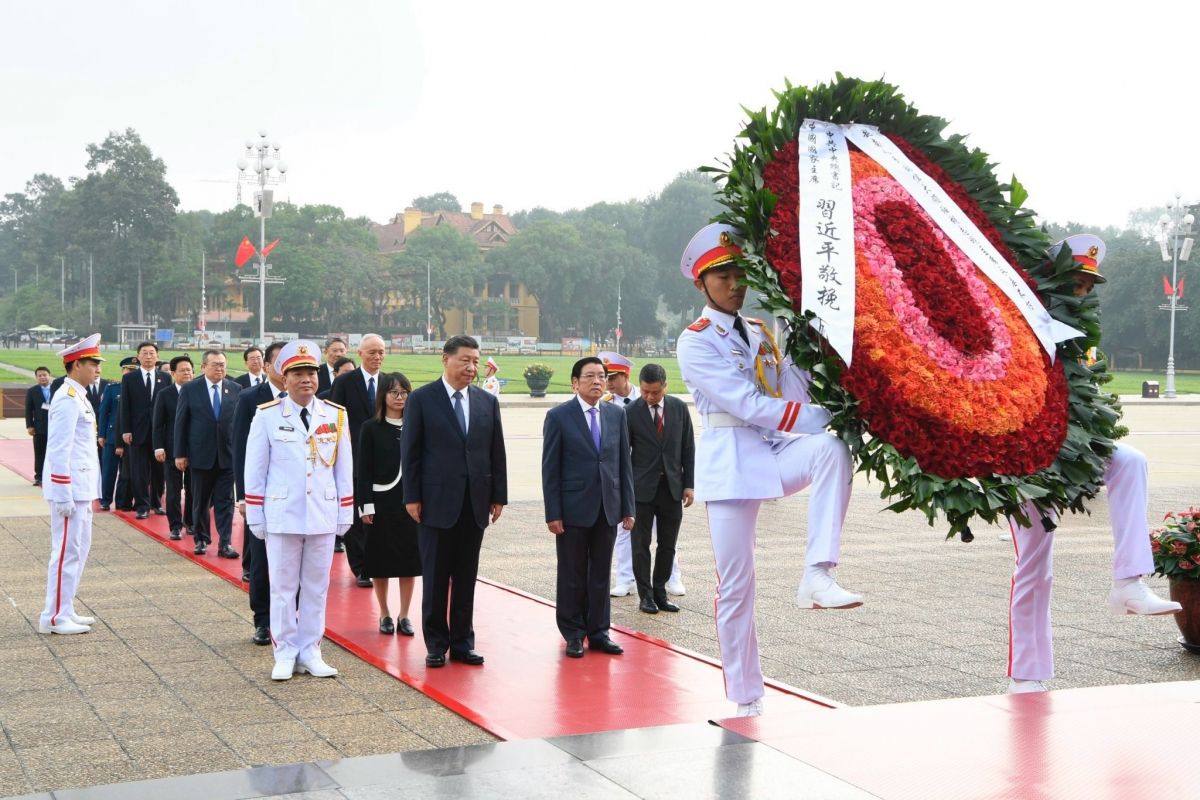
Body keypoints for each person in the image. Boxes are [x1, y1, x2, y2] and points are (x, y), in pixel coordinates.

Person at [677, 223, 859, 717]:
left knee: (832, 450)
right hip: (732, 460)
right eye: (723, 275)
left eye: (740, 272)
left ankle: (817, 573)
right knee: (736, 584)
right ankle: (745, 695)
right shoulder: (694, 342)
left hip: (774, 448)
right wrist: (825, 415)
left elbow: (789, 392)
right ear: (701, 284)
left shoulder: (760, 331)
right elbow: (747, 403)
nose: (735, 283)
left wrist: (809, 342)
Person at [1006, 234, 1180, 695]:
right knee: (1034, 565)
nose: (1082, 293)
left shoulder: (1081, 339)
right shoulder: (1022, 322)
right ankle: (1027, 674)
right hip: (1025, 461)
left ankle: (1128, 581)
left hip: (1073, 450)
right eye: (1076, 283)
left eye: (1088, 286)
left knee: (1130, 460)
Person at [244, 340, 354, 680]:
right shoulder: (267, 415)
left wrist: (345, 511)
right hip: (283, 514)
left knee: (317, 587)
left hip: (321, 512)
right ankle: (285, 652)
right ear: (284, 377)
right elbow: (255, 469)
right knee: (282, 588)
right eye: (298, 374)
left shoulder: (334, 415)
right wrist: (255, 514)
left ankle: (311, 650)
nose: (306, 379)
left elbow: (343, 468)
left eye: (311, 373)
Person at [402, 335, 507, 668]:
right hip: (435, 501)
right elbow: (411, 452)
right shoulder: (421, 399)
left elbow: (495, 451)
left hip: (475, 501)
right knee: (435, 576)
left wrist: (498, 495)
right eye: (465, 360)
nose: (471, 367)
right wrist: (412, 496)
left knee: (466, 576)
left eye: (476, 361)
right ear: (445, 359)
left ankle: (463, 642)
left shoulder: (486, 401)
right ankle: (436, 643)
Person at [543, 356, 635, 658]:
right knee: (572, 572)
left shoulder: (616, 415)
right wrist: (553, 513)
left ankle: (599, 632)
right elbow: (550, 469)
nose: (597, 381)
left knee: (600, 574)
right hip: (572, 509)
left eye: (602, 376)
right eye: (590, 376)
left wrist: (628, 506)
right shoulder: (558, 416)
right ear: (575, 382)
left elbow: (623, 463)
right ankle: (573, 632)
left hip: (607, 507)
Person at [603, 351, 685, 599]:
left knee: (666, 536)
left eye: (613, 377)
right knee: (627, 535)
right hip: (636, 484)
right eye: (606, 376)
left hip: (665, 483)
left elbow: (684, 447)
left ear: (625, 376)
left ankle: (672, 577)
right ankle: (626, 579)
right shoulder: (608, 403)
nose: (608, 382)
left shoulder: (657, 401)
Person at [39, 334, 104, 635]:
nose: (98, 368)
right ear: (76, 364)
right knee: (65, 551)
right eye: (93, 363)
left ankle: (65, 608)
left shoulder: (79, 396)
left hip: (81, 487)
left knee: (78, 549)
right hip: (70, 489)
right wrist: (63, 492)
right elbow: (58, 449)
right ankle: (53, 617)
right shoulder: (66, 398)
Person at [625, 363, 695, 614]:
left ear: (665, 387)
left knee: (668, 545)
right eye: (644, 391)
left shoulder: (679, 408)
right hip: (641, 490)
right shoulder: (631, 411)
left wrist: (689, 484)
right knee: (640, 545)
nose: (649, 397)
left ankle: (660, 591)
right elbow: (624, 455)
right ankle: (645, 596)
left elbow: (687, 448)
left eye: (654, 392)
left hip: (672, 489)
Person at [357, 372, 421, 636]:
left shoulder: (417, 425)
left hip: (412, 502)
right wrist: (366, 506)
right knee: (380, 561)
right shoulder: (371, 427)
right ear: (382, 395)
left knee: (409, 561)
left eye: (405, 392)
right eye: (394, 392)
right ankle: (384, 613)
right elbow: (363, 469)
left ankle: (405, 614)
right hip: (381, 500)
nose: (399, 397)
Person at [232, 340, 287, 645]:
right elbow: (241, 449)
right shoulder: (250, 398)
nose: (285, 367)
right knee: (262, 560)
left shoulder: (304, 398)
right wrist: (243, 497)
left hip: (292, 496)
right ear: (267, 366)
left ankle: (290, 618)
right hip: (262, 496)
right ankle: (263, 621)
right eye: (278, 361)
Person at [174, 349, 241, 558]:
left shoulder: (235, 388)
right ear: (203, 367)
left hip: (227, 455)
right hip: (200, 454)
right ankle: (202, 539)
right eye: (215, 364)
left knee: (226, 501)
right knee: (201, 501)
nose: (220, 368)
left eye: (222, 364)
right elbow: (181, 422)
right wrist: (180, 453)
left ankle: (225, 542)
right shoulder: (191, 389)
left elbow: (237, 424)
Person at [330, 334, 386, 583]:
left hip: (384, 461)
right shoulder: (345, 382)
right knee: (355, 514)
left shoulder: (389, 382)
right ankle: (361, 567)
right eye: (372, 352)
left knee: (379, 513)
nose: (377, 357)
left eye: (381, 352)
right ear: (360, 353)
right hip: (351, 458)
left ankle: (377, 563)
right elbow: (333, 420)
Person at [119, 341, 170, 519]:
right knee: (139, 470)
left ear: (157, 356)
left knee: (159, 470)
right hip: (137, 431)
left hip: (159, 432)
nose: (148, 357)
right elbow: (124, 406)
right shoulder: (129, 378)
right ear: (138, 356)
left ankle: (157, 502)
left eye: (151, 353)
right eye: (145, 353)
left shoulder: (165, 377)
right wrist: (126, 430)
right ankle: (142, 505)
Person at [153, 355, 195, 541]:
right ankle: (175, 526)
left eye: (189, 370)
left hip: (195, 448)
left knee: (193, 488)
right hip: (170, 449)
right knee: (173, 489)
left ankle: (191, 522)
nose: (187, 373)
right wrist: (158, 447)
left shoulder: (198, 391)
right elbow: (158, 424)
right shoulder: (165, 394)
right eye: (182, 370)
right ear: (173, 373)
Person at [98, 357, 137, 511]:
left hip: (132, 438)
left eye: (134, 370)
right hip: (112, 435)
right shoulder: (113, 388)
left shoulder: (140, 389)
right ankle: (105, 499)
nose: (131, 373)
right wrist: (101, 434)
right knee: (109, 471)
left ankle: (121, 500)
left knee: (126, 474)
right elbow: (104, 413)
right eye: (128, 370)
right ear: (122, 371)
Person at [25, 366, 53, 486]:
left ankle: (53, 475)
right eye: (40, 375)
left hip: (55, 427)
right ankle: (39, 476)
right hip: (40, 427)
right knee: (40, 452)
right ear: (36, 377)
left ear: (49, 376)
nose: (42, 377)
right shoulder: (32, 391)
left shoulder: (57, 389)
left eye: (44, 375)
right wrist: (30, 426)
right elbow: (28, 410)